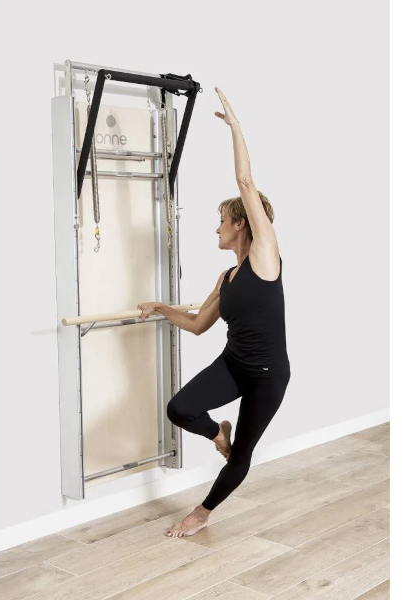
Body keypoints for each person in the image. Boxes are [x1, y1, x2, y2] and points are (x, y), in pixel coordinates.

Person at [138, 88, 291, 537]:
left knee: (241, 457)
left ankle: (201, 513)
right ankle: (216, 434)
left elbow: (246, 183)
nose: (217, 228)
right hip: (234, 364)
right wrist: (162, 307)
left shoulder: (266, 256)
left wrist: (236, 129)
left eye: (222, 220)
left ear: (241, 223)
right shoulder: (226, 278)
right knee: (180, 407)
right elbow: (199, 325)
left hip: (268, 375)